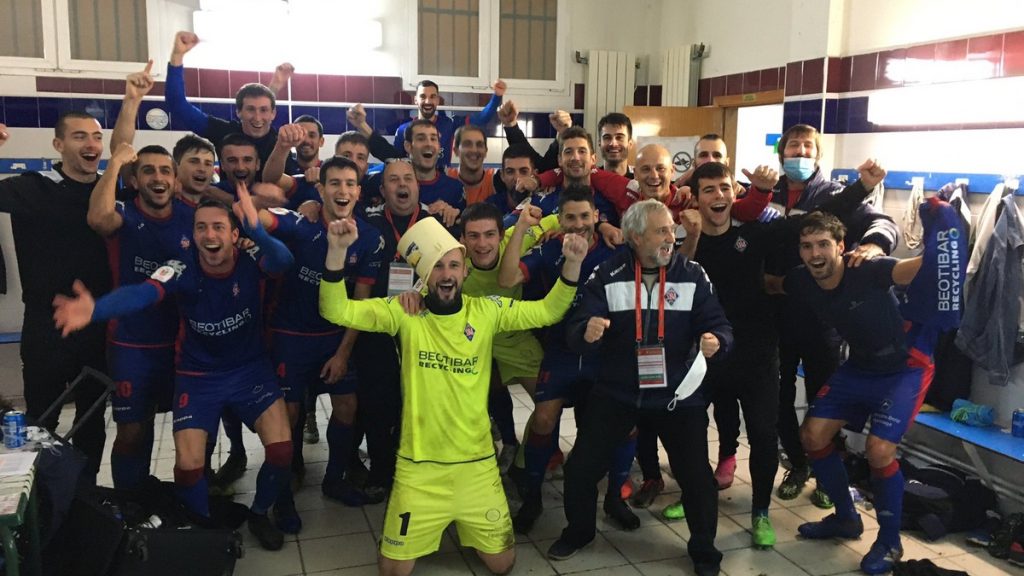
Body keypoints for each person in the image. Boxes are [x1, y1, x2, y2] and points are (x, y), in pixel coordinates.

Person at [318, 216, 587, 575]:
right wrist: (336, 253)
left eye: (454, 266)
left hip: (475, 467)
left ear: (464, 271)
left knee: (502, 564)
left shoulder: (487, 310)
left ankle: (458, 523)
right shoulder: (404, 312)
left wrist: (572, 265)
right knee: (392, 571)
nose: (446, 274)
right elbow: (335, 310)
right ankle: (433, 524)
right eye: (437, 266)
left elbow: (548, 311)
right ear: (425, 275)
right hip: (418, 470)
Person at [53, 185, 297, 551]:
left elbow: (283, 261)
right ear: (193, 234)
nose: (209, 235)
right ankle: (203, 531)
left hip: (250, 370)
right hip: (198, 377)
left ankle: (259, 514)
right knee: (188, 467)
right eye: (201, 227)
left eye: (218, 227)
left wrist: (259, 231)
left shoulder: (251, 262)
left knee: (281, 452)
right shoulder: (180, 268)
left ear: (234, 234)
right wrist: (96, 309)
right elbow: (143, 293)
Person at [676, 159, 887, 548]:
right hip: (705, 354)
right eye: (709, 190)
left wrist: (862, 186)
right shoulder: (685, 237)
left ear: (734, 193)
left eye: (724, 187)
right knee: (689, 432)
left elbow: (820, 218)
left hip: (756, 352)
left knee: (761, 433)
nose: (718, 196)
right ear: (697, 198)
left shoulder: (758, 235)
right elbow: (676, 278)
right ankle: (694, 492)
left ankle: (759, 512)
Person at [549, 199, 732, 576]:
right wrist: (586, 331)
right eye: (661, 231)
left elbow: (721, 324)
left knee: (696, 476)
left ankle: (704, 550)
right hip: (617, 391)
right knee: (581, 468)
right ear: (634, 236)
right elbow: (575, 327)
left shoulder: (692, 274)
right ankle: (579, 532)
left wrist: (717, 340)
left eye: (671, 230)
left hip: (678, 396)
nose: (671, 237)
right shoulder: (607, 273)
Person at [782, 202, 964, 574]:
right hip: (860, 365)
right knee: (813, 436)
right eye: (807, 246)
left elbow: (917, 271)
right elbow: (769, 284)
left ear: (840, 245)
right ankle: (846, 519)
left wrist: (942, 237)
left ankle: (890, 540)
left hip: (906, 365)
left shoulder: (867, 269)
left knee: (879, 451)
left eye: (823, 244)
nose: (815, 254)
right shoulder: (800, 279)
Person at [769, 124, 898, 508]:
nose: (801, 152)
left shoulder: (834, 195)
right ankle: (797, 462)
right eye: (794, 145)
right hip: (778, 314)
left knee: (825, 397)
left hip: (824, 318)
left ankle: (829, 472)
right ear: (782, 153)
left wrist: (875, 245)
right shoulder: (766, 195)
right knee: (779, 396)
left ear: (818, 154)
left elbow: (882, 221)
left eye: (808, 146)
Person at [496, 186, 633, 534]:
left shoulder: (617, 252)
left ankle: (615, 497)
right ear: (560, 218)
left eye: (585, 217)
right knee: (543, 420)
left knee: (625, 422)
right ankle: (533, 498)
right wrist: (523, 229)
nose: (578, 224)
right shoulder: (549, 249)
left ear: (597, 218)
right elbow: (507, 277)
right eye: (570, 217)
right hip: (560, 352)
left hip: (606, 353)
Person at [257, 156, 385, 518]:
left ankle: (334, 478)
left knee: (347, 406)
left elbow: (361, 303)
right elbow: (260, 219)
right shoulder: (302, 223)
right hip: (291, 335)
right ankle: (283, 491)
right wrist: (257, 202)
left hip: (334, 336)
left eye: (349, 184)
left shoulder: (370, 239)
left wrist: (343, 353)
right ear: (321, 189)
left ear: (359, 192)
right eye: (334, 183)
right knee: (290, 413)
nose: (342, 190)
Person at [90, 72, 197, 490]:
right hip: (132, 344)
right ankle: (130, 502)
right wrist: (116, 160)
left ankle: (182, 503)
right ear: (135, 179)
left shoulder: (192, 217)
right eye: (148, 170)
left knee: (189, 431)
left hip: (183, 342)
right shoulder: (124, 214)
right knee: (133, 433)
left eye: (165, 171)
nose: (157, 178)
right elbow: (96, 219)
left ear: (175, 179)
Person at [0, 115, 111, 482]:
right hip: (45, 325)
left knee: (92, 418)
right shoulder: (33, 187)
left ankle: (87, 495)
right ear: (58, 145)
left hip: (95, 324)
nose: (90, 144)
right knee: (41, 420)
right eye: (79, 136)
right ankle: (46, 498)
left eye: (96, 136)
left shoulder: (110, 192)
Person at [164, 31, 300, 176]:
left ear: (273, 114)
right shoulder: (224, 132)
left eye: (263, 110)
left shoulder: (279, 144)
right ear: (238, 112)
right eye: (250, 109)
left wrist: (275, 87)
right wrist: (177, 56)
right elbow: (177, 105)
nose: (257, 117)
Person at [391, 78, 506, 168]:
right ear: (415, 100)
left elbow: (481, 119)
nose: (428, 101)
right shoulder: (403, 130)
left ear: (437, 100)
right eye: (423, 96)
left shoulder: (449, 124)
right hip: (412, 188)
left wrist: (497, 96)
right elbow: (394, 163)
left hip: (442, 186)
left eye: (432, 97)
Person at [447, 125, 496, 205]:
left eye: (479, 145)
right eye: (467, 144)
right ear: (456, 151)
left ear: (486, 151)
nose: (474, 150)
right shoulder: (446, 178)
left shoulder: (495, 180)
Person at [596, 112, 634, 177]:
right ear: (600, 143)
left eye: (619, 137)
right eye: (607, 137)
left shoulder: (639, 184)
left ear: (630, 144)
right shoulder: (590, 182)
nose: (613, 143)